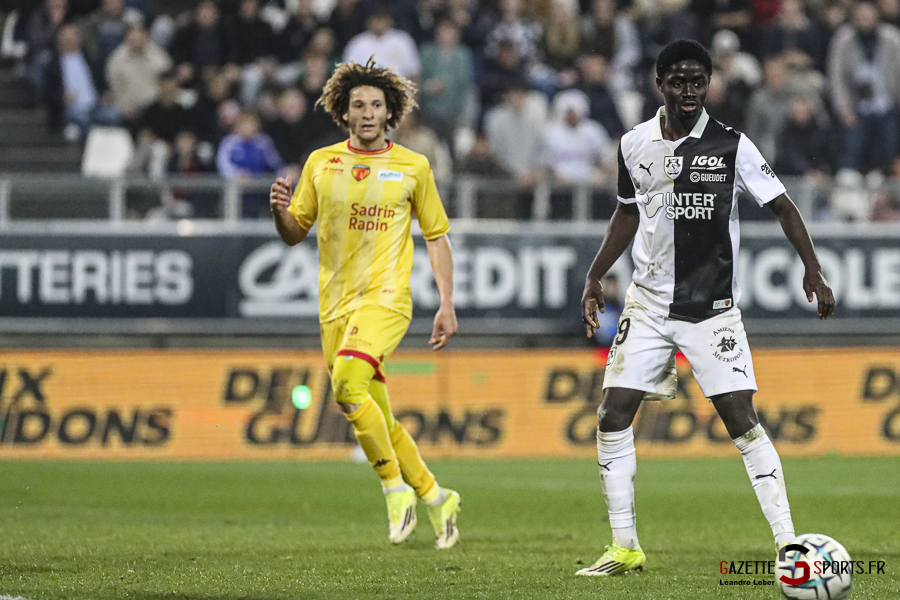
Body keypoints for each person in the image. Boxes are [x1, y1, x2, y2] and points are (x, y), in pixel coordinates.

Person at [577, 39, 835, 577]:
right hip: (647, 305)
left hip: (712, 309)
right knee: (611, 414)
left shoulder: (732, 145)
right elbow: (627, 214)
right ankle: (624, 545)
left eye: (698, 82)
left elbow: (783, 205)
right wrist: (595, 273)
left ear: (709, 84)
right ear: (660, 84)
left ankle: (788, 543)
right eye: (679, 82)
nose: (690, 91)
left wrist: (812, 267)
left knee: (743, 423)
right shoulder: (633, 145)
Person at [268, 59, 462, 549]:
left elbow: (437, 237)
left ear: (390, 111)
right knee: (373, 410)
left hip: (387, 300)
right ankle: (438, 497)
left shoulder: (413, 166)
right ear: (344, 112)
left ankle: (395, 491)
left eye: (377, 104)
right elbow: (295, 234)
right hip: (334, 308)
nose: (369, 112)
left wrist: (446, 301)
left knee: (349, 381)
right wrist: (279, 213)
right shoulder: (321, 163)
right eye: (359, 105)